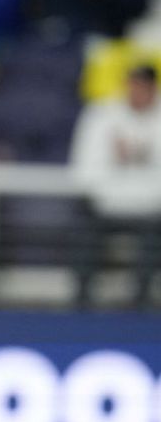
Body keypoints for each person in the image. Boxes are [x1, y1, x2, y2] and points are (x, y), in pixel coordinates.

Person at [68, 64, 161, 307]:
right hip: (105, 204)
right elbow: (84, 167)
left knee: (154, 232)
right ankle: (82, 298)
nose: (138, 92)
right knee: (83, 224)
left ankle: (143, 299)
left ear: (153, 88)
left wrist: (139, 156)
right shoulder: (101, 114)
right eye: (134, 85)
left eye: (144, 87)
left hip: (152, 208)